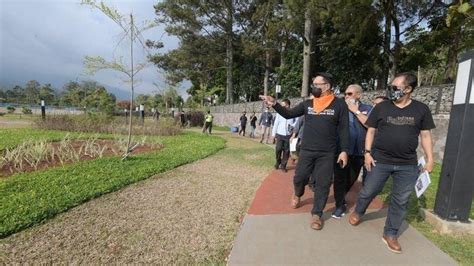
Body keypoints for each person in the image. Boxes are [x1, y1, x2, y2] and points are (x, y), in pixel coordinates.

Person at [348, 72, 435, 254]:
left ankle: (390, 233)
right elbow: (371, 131)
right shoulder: (382, 108)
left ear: (408, 89)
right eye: (391, 87)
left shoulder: (421, 109)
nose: (392, 90)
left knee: (401, 200)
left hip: (407, 164)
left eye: (396, 87)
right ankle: (359, 211)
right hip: (380, 160)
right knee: (369, 190)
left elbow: (426, 135)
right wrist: (368, 153)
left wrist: (430, 158)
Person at [260, 72, 349, 231]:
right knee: (300, 177)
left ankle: (317, 214)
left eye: (316, 85)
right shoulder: (308, 104)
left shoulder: (339, 105)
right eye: (313, 85)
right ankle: (298, 193)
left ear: (327, 86)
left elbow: (344, 129)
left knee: (323, 183)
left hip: (327, 152)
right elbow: (289, 114)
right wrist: (274, 103)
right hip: (307, 149)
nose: (313, 87)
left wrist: (344, 151)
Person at [332, 84, 373, 219]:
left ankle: (341, 197)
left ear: (358, 95)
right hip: (342, 150)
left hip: (359, 152)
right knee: (339, 178)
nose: (346, 96)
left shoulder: (367, 109)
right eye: (345, 94)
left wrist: (355, 111)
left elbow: (371, 126)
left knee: (351, 178)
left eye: (349, 94)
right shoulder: (339, 108)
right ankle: (339, 206)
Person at [271, 99, 296, 172]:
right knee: (278, 149)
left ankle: (283, 165)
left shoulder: (293, 113)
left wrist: (292, 126)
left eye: (283, 105)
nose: (281, 106)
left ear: (287, 105)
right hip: (279, 134)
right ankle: (278, 161)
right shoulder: (279, 113)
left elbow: (297, 122)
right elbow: (276, 123)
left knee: (286, 151)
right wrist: (273, 134)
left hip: (288, 135)